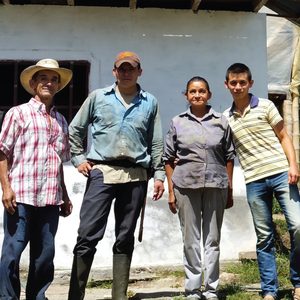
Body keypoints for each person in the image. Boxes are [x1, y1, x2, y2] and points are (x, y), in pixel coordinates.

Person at [67, 51, 165, 300]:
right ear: (114, 72)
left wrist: (159, 176)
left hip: (135, 176)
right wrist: (79, 160)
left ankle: (119, 296)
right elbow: (75, 129)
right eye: (121, 68)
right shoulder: (98, 97)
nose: (126, 72)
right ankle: (74, 296)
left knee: (125, 236)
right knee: (87, 234)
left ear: (139, 72)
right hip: (102, 172)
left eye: (131, 68)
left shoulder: (149, 102)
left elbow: (156, 143)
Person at [223, 63, 300, 300]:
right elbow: (227, 155)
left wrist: (293, 165)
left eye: (242, 82)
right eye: (233, 83)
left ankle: (298, 283)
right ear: (227, 85)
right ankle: (269, 290)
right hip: (254, 181)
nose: (238, 87)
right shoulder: (226, 118)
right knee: (264, 235)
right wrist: (228, 185)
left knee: (297, 226)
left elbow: (284, 136)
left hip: (281, 174)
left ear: (250, 83)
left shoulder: (265, 106)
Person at [0, 58, 73, 300]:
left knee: (44, 255)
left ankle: (37, 296)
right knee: (12, 252)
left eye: (54, 80)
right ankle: (8, 297)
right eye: (43, 78)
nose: (49, 83)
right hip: (21, 195)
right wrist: (6, 188)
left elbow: (58, 161)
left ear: (58, 86)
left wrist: (64, 194)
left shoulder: (61, 121)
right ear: (33, 83)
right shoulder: (18, 113)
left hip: (50, 199)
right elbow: (2, 152)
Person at [163, 76, 236, 300]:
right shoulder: (177, 122)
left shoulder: (221, 121)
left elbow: (229, 155)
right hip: (185, 185)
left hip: (216, 184)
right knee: (190, 239)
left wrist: (230, 187)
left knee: (212, 239)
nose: (197, 95)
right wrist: (171, 190)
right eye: (193, 91)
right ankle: (193, 289)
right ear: (186, 95)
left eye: (202, 91)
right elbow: (167, 158)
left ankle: (211, 289)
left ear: (209, 95)